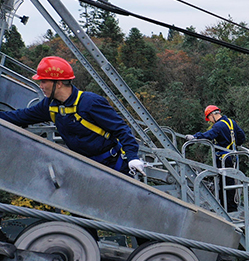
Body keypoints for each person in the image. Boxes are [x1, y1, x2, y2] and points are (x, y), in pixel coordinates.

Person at [0, 56, 144, 177]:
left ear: (59, 83)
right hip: (85, 168)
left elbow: (120, 129)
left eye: (44, 81)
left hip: (113, 167)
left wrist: (132, 157)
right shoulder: (49, 106)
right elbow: (19, 117)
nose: (41, 86)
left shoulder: (90, 102)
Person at [186, 105, 246, 212]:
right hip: (233, 157)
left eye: (209, 119)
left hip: (223, 159)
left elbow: (208, 135)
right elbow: (241, 137)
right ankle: (231, 206)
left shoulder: (218, 126)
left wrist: (195, 137)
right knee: (231, 181)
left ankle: (228, 208)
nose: (210, 121)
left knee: (224, 182)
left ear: (212, 115)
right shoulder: (232, 122)